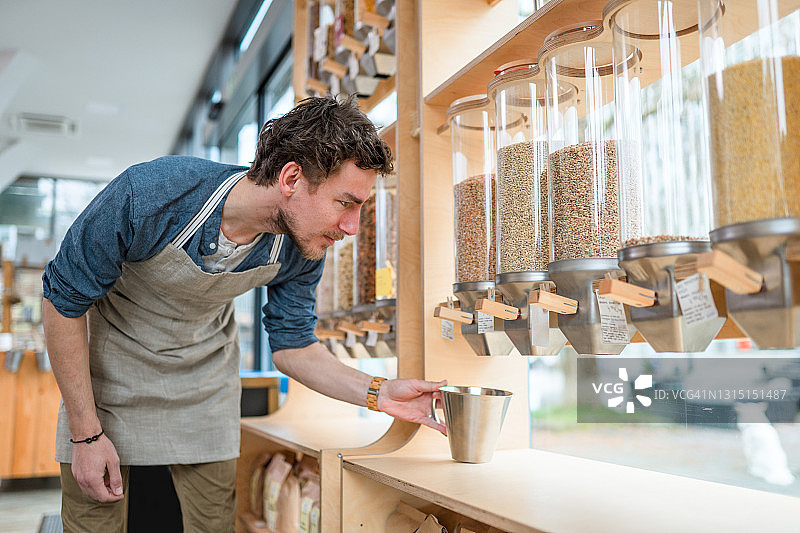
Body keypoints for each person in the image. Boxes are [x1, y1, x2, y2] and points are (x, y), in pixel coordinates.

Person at [42, 95, 447, 533]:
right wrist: (85, 433)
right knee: (93, 523)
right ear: (292, 177)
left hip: (204, 389)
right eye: (345, 203)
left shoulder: (302, 246)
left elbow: (294, 348)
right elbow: (62, 302)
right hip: (106, 385)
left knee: (214, 525)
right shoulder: (152, 195)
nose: (351, 227)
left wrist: (380, 393)